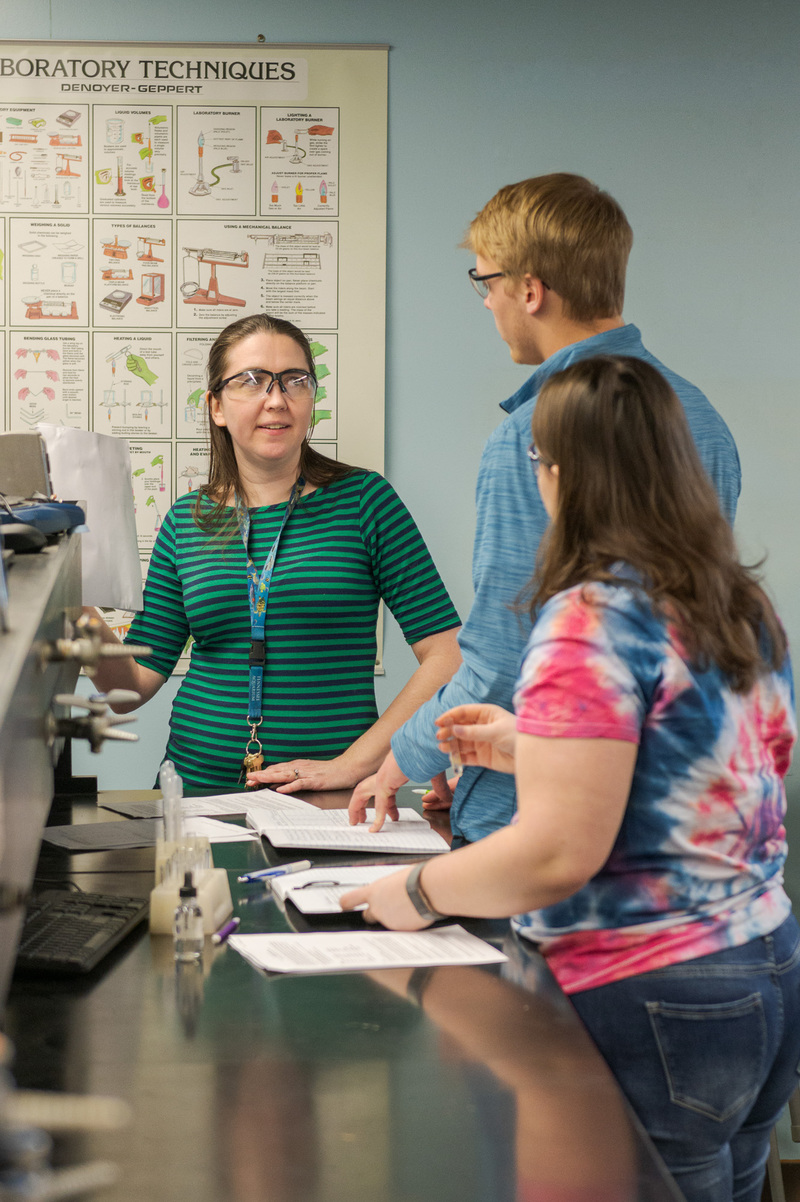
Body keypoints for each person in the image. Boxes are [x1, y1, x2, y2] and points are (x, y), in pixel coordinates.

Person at [341, 355, 798, 1202]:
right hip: (764, 966)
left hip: (651, 986)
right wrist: (535, 745)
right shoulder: (734, 599)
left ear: (562, 476)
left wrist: (416, 887)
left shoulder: (587, 618)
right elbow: (727, 770)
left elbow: (554, 855)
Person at [349, 173, 741, 845]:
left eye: (486, 283)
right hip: (667, 803)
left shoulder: (532, 437)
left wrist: (406, 756)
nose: (487, 303)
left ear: (529, 290)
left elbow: (505, 653)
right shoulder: (702, 419)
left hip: (537, 821)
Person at [86, 313, 461, 794]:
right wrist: (72, 608)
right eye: (251, 380)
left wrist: (353, 763)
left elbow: (447, 654)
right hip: (194, 792)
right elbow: (131, 686)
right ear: (216, 406)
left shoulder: (365, 500)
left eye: (295, 381)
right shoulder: (187, 520)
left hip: (326, 797)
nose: (276, 399)